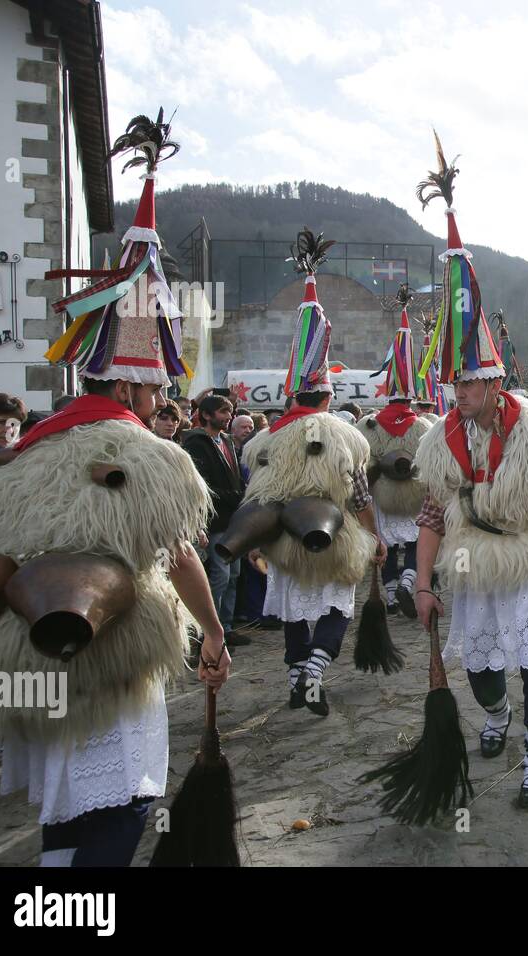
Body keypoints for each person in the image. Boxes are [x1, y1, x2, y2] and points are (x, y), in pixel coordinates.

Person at [0, 114, 230, 866]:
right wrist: (211, 630)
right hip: (106, 663)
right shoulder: (143, 452)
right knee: (122, 801)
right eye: (157, 382)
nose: (162, 396)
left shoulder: (25, 451)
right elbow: (178, 556)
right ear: (130, 379)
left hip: (30, 668)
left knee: (66, 811)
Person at [411, 140, 528, 810]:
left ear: (494, 378)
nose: (459, 390)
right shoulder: (442, 440)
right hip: (471, 562)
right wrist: (424, 581)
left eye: (470, 379)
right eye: (454, 380)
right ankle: (496, 715)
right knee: (484, 667)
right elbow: (432, 515)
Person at [242, 231, 384, 716]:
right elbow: (360, 494)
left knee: (293, 612)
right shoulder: (344, 435)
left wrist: (258, 546)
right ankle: (316, 672)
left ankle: (294, 678)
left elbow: (255, 498)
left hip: (284, 539)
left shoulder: (265, 439)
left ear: (292, 393)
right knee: (334, 607)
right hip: (335, 536)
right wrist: (375, 538)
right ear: (325, 395)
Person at [356, 286, 432, 616]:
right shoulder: (424, 427)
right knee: (415, 542)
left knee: (384, 544)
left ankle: (389, 593)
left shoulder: (368, 425)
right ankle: (407, 583)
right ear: (411, 397)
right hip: (414, 495)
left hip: (383, 497)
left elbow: (360, 461)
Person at [183, 394, 248, 649]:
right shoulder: (197, 445)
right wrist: (237, 496)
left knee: (233, 574)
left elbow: (234, 477)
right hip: (215, 520)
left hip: (233, 520)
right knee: (219, 576)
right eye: (223, 411)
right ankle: (210, 631)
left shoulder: (228, 442)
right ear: (207, 415)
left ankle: (226, 627)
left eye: (230, 411)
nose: (228, 416)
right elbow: (203, 487)